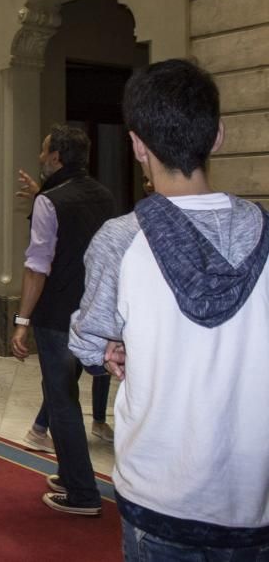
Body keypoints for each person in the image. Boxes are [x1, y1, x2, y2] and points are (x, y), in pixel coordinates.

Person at [68, 59, 269, 556]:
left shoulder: (121, 240)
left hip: (159, 490)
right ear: (218, 136)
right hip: (254, 497)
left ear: (138, 145)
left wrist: (111, 347)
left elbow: (89, 345)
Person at [9, 124, 115, 517]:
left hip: (56, 316)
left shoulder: (50, 201)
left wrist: (22, 319)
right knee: (66, 395)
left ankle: (84, 493)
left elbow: (37, 267)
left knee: (62, 400)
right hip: (95, 313)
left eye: (43, 151)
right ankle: (71, 475)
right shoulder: (104, 196)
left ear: (57, 158)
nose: (39, 157)